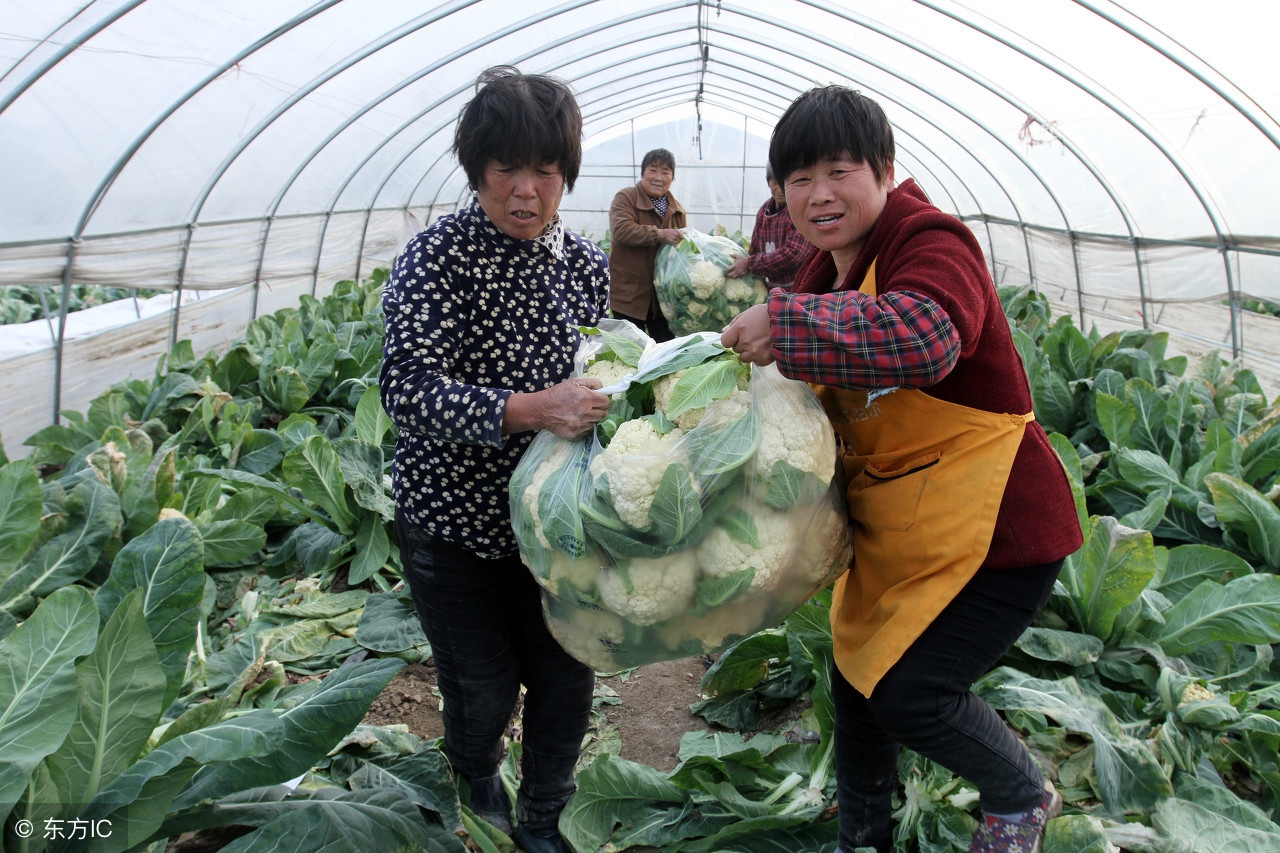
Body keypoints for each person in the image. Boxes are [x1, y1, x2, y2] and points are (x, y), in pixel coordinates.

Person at [721, 86, 1083, 853]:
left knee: (912, 691)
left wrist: (783, 322)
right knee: (855, 686)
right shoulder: (825, 271)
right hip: (905, 532)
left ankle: (1020, 791)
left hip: (997, 537)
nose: (819, 194)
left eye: (839, 171)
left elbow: (925, 338)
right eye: (798, 179)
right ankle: (863, 837)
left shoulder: (933, 243)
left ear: (884, 170)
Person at [380, 66, 610, 853]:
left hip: (554, 527)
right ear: (477, 169)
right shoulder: (437, 257)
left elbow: (604, 368)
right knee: (479, 689)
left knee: (564, 682)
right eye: (505, 168)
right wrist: (534, 407)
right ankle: (477, 777)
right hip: (454, 524)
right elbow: (406, 388)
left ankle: (545, 816)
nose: (525, 189)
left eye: (544, 170)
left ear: (565, 175)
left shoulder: (582, 263)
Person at [607, 147, 686, 341]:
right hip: (629, 295)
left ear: (672, 178)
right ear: (643, 173)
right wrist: (659, 234)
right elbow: (622, 231)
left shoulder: (677, 211)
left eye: (665, 172)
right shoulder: (626, 198)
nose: (658, 177)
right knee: (629, 353)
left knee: (664, 353)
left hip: (662, 301)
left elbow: (682, 254)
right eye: (653, 170)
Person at [724, 163, 815, 289]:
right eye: (775, 183)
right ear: (768, 182)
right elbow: (754, 247)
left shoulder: (797, 210)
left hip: (799, 288)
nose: (779, 190)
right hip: (771, 287)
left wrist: (750, 264)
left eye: (784, 184)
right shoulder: (764, 211)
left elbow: (793, 253)